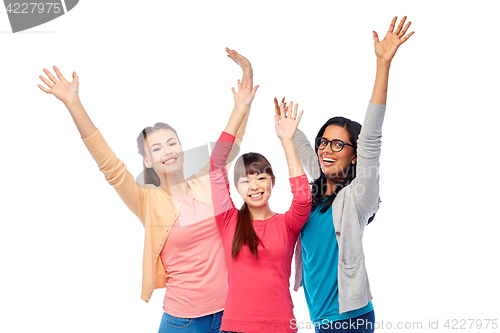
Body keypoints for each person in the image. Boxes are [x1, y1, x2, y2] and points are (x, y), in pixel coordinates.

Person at [38, 49, 256, 333]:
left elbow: (234, 139)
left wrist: (247, 81)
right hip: (184, 322)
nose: (167, 151)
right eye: (156, 148)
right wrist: (73, 103)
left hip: (230, 314)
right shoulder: (147, 200)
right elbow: (110, 166)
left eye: (171, 143)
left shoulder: (208, 180)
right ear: (147, 161)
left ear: (181, 147)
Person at [276, 16, 414, 333]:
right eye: (323, 141)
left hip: (348, 321)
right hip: (322, 320)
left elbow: (372, 139)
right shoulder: (317, 186)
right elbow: (301, 146)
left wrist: (383, 65)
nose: (327, 149)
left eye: (339, 144)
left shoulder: (357, 197)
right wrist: (288, 128)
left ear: (354, 155)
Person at [210, 76, 312, 332]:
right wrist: (239, 110)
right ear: (237, 188)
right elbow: (216, 164)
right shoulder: (228, 220)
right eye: (245, 180)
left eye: (260, 177)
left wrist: (287, 142)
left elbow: (302, 198)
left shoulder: (287, 225)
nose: (254, 186)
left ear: (272, 181)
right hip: (234, 326)